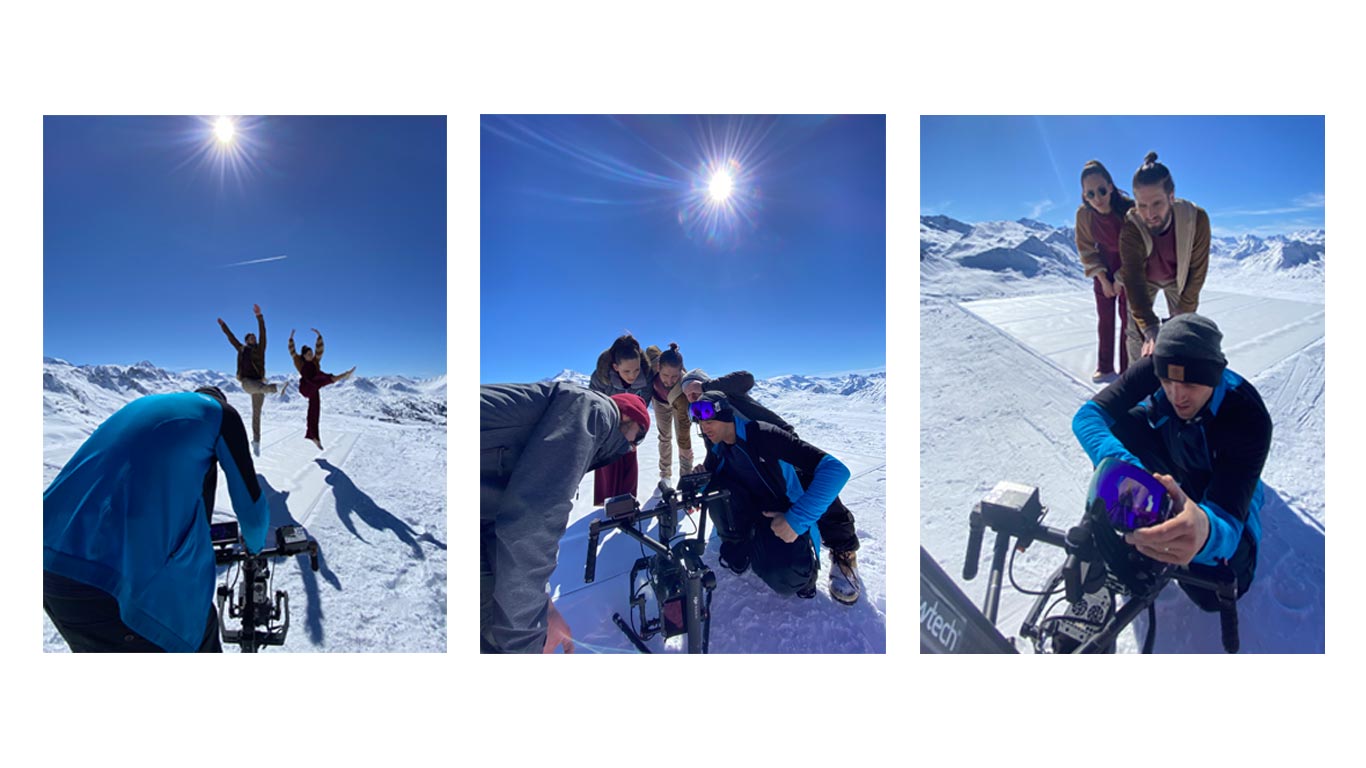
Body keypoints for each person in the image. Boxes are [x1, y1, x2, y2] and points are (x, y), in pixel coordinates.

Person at [43, 386, 271, 652]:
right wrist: (255, 550)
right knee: (195, 633)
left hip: (49, 564)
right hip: (113, 584)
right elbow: (253, 516)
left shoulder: (143, 407)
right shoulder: (221, 415)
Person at [1071, 314, 1271, 612]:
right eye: (1166, 380)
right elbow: (1087, 417)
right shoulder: (1155, 367)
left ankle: (1245, 506)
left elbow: (1226, 524)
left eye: (1190, 383)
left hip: (1224, 480)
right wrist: (1125, 464)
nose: (1177, 395)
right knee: (1119, 428)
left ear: (1213, 377)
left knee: (1212, 593)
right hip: (1177, 456)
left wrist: (1203, 533)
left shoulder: (1248, 416)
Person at [480, 382, 650, 653]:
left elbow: (501, 515)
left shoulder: (580, 412)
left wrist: (543, 606)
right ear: (627, 416)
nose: (632, 448)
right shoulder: (596, 410)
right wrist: (527, 642)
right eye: (638, 437)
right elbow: (533, 520)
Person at [682, 368, 864, 604]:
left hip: (778, 446)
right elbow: (717, 466)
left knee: (814, 486)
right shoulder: (714, 437)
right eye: (688, 396)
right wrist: (700, 482)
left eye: (695, 390)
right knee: (725, 481)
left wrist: (797, 519)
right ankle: (751, 539)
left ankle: (842, 551)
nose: (694, 397)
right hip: (757, 475)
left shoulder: (733, 397)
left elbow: (746, 378)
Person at [1118, 151, 1211, 363]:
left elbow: (1197, 271)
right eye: (1142, 205)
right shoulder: (1131, 228)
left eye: (1157, 203)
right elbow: (1132, 279)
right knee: (1135, 330)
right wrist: (1149, 327)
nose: (1149, 214)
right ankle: (1137, 377)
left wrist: (1183, 312)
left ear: (1171, 197)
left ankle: (1178, 379)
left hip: (1177, 279)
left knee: (1183, 331)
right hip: (1145, 280)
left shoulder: (1196, 220)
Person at [1074, 160, 1136, 382]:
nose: (1097, 198)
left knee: (1128, 319)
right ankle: (1105, 366)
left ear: (1111, 186)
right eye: (1090, 194)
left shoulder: (1129, 211)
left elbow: (1137, 249)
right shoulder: (1085, 215)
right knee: (1105, 318)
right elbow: (1086, 248)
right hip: (1103, 268)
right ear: (1084, 195)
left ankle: (1127, 369)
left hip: (1131, 269)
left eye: (1101, 190)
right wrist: (1103, 278)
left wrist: (1120, 279)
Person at [588, 333, 652, 504]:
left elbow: (643, 403)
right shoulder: (601, 378)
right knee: (608, 464)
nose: (632, 375)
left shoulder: (646, 378)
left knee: (629, 461)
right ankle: (607, 502)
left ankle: (628, 501)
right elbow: (595, 404)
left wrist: (634, 426)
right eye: (626, 371)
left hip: (631, 427)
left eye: (636, 369)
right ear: (615, 367)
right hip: (608, 427)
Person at [218, 304, 281, 456]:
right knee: (259, 387)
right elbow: (231, 337)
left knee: (256, 414)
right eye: (250, 337)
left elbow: (263, 333)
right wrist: (223, 326)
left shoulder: (260, 349)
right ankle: (274, 388)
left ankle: (256, 441)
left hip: (259, 383)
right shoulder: (241, 349)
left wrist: (259, 317)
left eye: (254, 337)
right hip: (247, 383)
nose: (253, 338)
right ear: (246, 341)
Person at [288, 327, 355, 450]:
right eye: (308, 354)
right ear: (303, 355)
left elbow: (320, 351)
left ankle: (314, 437)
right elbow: (292, 352)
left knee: (314, 411)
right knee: (325, 378)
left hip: (315, 386)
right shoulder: (299, 362)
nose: (311, 355)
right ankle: (344, 375)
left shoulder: (315, 362)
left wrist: (319, 337)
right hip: (307, 386)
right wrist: (291, 338)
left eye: (311, 353)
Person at [645, 342, 693, 483]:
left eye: (675, 376)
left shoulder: (684, 390)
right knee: (664, 437)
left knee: (682, 439)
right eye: (665, 375)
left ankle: (686, 477)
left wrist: (687, 475)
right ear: (658, 368)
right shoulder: (650, 368)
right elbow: (649, 350)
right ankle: (665, 475)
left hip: (678, 403)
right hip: (660, 402)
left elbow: (685, 435)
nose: (669, 381)